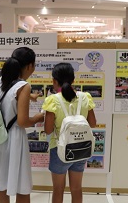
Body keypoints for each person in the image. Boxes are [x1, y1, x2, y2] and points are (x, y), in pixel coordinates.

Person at [0, 47, 45, 203]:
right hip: (14, 139)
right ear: (29, 66)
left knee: (2, 184)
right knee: (22, 184)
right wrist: (37, 118)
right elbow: (22, 121)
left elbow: (8, 99)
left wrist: (30, 97)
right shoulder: (23, 86)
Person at [41, 63, 96, 203]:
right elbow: (93, 123)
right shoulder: (85, 97)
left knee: (58, 189)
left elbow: (48, 130)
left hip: (59, 149)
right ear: (73, 79)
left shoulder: (52, 100)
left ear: (54, 81)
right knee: (77, 188)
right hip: (81, 148)